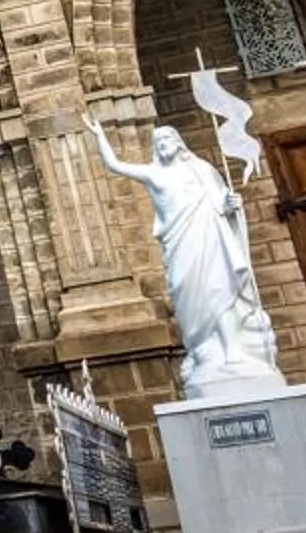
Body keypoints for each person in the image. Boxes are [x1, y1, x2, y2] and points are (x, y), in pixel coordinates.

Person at [87, 118, 286, 399]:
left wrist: (232, 206)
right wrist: (99, 135)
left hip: (210, 240)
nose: (163, 145)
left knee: (219, 291)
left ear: (178, 142)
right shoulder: (155, 174)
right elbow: (115, 165)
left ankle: (232, 352)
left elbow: (222, 205)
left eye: (167, 140)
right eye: (158, 143)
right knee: (194, 295)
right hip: (182, 246)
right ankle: (206, 350)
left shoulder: (200, 170)